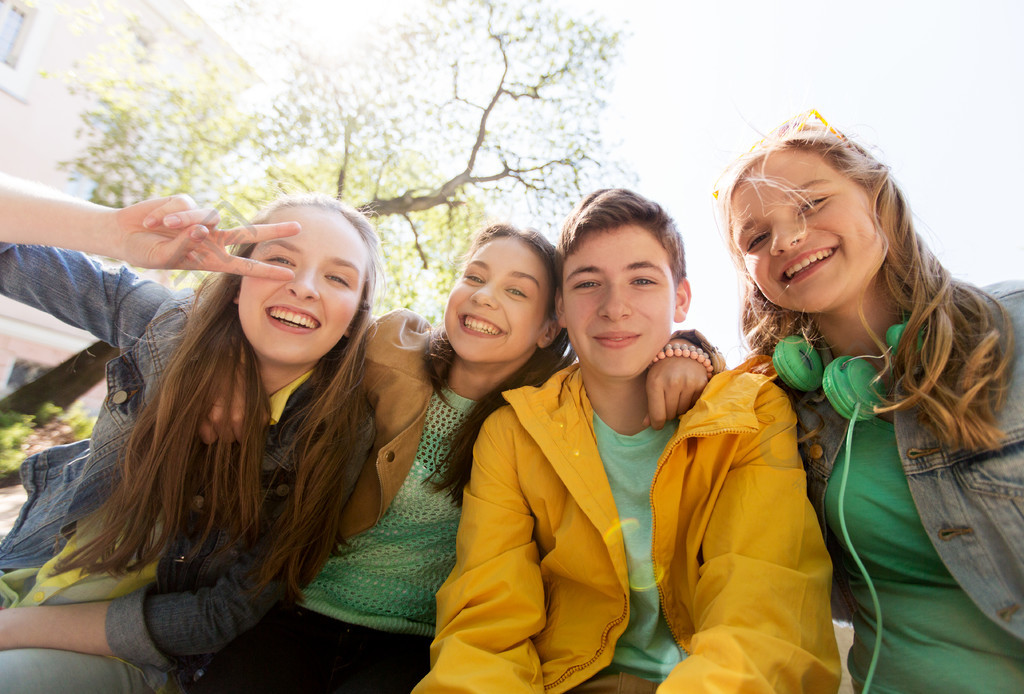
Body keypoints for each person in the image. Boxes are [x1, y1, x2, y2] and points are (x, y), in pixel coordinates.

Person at [187, 220, 717, 693]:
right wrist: (232, 362)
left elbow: (630, 354)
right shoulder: (388, 350)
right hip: (299, 611)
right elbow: (299, 332)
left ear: (550, 327)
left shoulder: (544, 418)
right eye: (476, 277)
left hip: (418, 644)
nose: (486, 297)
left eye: (516, 291)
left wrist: (688, 347)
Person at [417, 189, 840, 694]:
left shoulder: (748, 412)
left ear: (680, 298)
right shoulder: (513, 433)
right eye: (588, 283)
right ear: (561, 308)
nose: (615, 308)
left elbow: (763, 604)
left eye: (641, 280)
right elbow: (486, 625)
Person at [0, 179, 383, 693]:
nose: (305, 285)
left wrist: (13, 630)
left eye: (338, 277)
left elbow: (221, 612)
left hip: (127, 656)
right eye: (282, 261)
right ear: (235, 277)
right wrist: (110, 231)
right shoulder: (166, 325)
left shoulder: (336, 432)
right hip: (25, 573)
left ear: (357, 312)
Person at [712, 110, 1024, 692]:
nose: (786, 239)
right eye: (756, 237)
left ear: (877, 199)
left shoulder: (1015, 326)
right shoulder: (783, 409)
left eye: (810, 204)